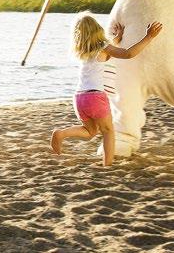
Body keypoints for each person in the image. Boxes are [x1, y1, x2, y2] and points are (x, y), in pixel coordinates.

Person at [50, 14, 162, 166]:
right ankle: (107, 165)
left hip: (79, 98)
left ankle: (61, 133)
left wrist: (117, 37)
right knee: (108, 131)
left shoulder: (83, 52)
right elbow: (127, 53)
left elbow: (109, 50)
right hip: (96, 97)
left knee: (90, 132)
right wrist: (149, 37)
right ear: (98, 30)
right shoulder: (102, 47)